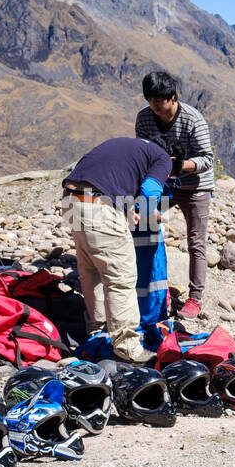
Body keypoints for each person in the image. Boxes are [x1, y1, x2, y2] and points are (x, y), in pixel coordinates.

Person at [61, 137, 172, 364]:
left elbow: (108, 180)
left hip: (71, 201)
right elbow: (150, 190)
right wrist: (151, 212)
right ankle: (128, 348)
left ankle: (98, 331)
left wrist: (129, 210)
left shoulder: (125, 147)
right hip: (98, 206)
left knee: (90, 269)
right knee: (120, 279)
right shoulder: (162, 158)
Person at [133, 70, 215, 320]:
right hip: (161, 184)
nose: (155, 107)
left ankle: (195, 297)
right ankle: (145, 284)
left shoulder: (193, 119)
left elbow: (207, 159)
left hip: (194, 186)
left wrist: (180, 166)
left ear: (172, 97)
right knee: (143, 225)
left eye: (160, 102)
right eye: (151, 101)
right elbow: (142, 151)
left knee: (196, 242)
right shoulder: (144, 118)